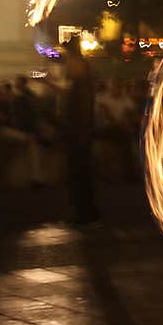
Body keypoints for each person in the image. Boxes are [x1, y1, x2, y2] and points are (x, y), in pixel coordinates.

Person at [43, 35, 100, 225]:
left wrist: (48, 83)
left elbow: (74, 99)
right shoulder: (83, 69)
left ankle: (84, 213)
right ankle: (87, 211)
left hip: (78, 129)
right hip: (80, 128)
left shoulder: (79, 69)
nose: (65, 57)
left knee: (78, 172)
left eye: (66, 52)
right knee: (81, 172)